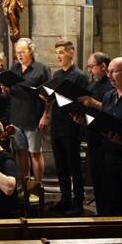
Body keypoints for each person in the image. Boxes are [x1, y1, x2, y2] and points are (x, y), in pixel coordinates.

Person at [77, 57, 122, 216]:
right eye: (108, 71)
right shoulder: (109, 96)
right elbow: (103, 124)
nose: (109, 75)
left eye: (113, 72)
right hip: (109, 157)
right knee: (113, 202)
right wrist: (84, 121)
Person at [47, 40, 89, 216]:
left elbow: (83, 100)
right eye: (57, 52)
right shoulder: (57, 74)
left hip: (71, 124)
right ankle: (65, 199)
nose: (58, 56)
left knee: (73, 165)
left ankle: (78, 202)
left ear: (71, 53)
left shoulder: (79, 76)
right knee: (60, 165)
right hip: (57, 123)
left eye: (62, 52)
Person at [7, 38, 50, 182]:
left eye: (22, 52)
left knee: (35, 153)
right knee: (21, 153)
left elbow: (49, 95)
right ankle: (24, 186)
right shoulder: (14, 69)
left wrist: (46, 115)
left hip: (33, 118)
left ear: (30, 51)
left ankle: (38, 186)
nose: (19, 55)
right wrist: (5, 88)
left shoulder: (41, 69)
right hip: (16, 118)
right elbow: (10, 92)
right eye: (17, 52)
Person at [83, 51, 112, 215]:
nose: (89, 71)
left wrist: (94, 103)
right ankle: (101, 213)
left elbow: (112, 110)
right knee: (97, 180)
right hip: (92, 137)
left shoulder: (111, 85)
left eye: (91, 66)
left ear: (103, 66)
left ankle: (109, 215)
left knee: (107, 181)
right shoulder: (92, 84)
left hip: (106, 139)